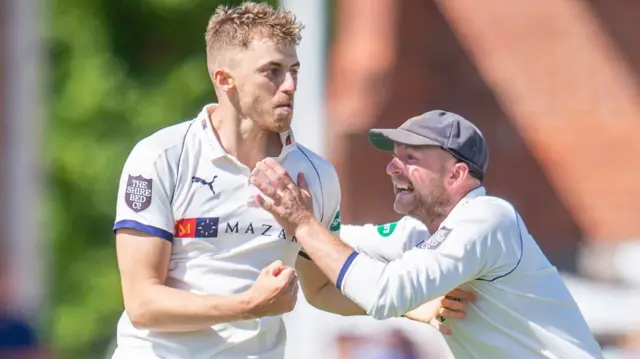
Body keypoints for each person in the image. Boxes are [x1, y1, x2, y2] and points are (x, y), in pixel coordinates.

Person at [111, 3, 469, 358]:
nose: (291, 85)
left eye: (294, 70)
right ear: (225, 79)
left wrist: (408, 302)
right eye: (273, 71)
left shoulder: (316, 175)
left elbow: (323, 288)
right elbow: (143, 302)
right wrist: (246, 305)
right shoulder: (162, 158)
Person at [249, 110, 606, 359]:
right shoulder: (417, 233)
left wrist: (304, 223)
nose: (391, 167)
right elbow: (331, 251)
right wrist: (280, 220)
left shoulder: (487, 218)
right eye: (394, 156)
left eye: (411, 157)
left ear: (456, 174)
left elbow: (383, 293)